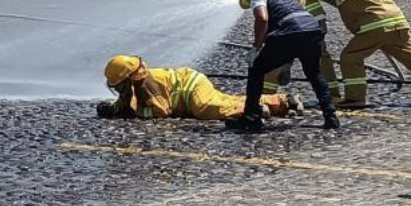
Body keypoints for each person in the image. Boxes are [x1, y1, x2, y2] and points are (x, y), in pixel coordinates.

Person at [225, 0, 340, 132]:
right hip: (313, 32)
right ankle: (331, 117)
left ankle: (251, 118)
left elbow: (262, 19)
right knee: (314, 73)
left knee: (256, 70)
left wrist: (256, 47)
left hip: (288, 34)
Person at [239, 0, 338, 97]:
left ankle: (266, 96)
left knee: (274, 55)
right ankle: (332, 94)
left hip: (291, 21)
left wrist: (242, 1)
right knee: (320, 58)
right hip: (315, 20)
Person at [97, 55, 303, 121]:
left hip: (190, 87)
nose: (118, 90)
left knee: (205, 108)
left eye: (118, 86)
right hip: (194, 81)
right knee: (224, 100)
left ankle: (248, 111)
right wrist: (114, 108)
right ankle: (281, 102)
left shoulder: (145, 84)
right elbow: (130, 100)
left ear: (127, 79)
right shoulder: (137, 82)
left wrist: (134, 112)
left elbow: (161, 110)